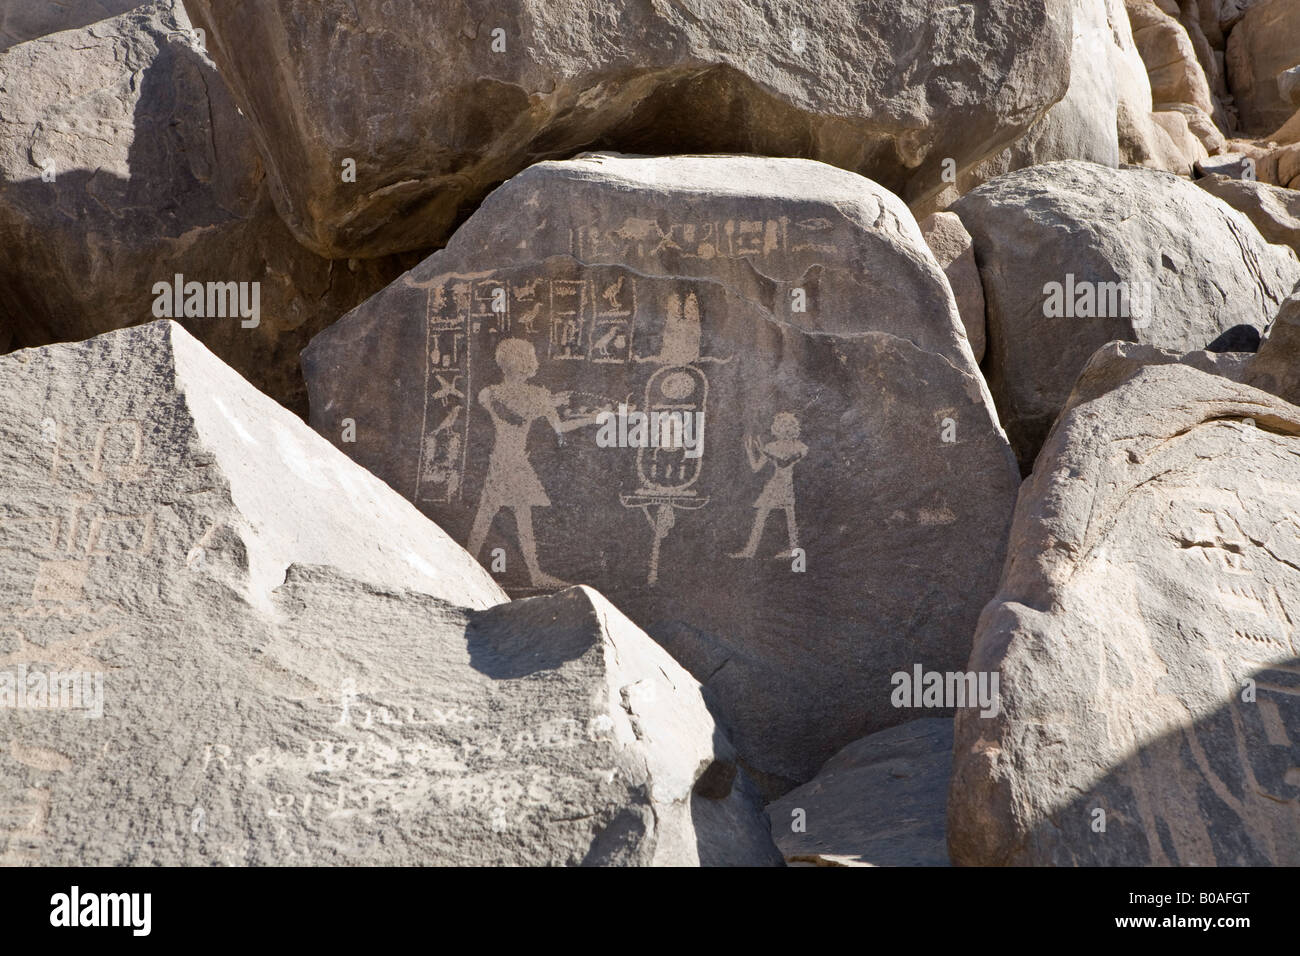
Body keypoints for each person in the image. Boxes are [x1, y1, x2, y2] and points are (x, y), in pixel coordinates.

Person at [467, 338, 601, 587]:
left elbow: (510, 412)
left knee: (488, 515)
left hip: (500, 459)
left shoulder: (489, 393)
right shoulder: (538, 396)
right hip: (515, 462)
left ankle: (472, 566)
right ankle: (534, 574)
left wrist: (549, 403)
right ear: (525, 363)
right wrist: (592, 417)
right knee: (516, 515)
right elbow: (560, 427)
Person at [730, 412, 807, 559]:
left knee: (786, 516)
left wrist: (764, 452)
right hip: (777, 485)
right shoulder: (776, 446)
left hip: (785, 485)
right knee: (769, 515)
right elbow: (756, 468)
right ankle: (751, 550)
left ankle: (789, 549)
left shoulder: (798, 447)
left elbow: (783, 463)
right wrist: (750, 451)